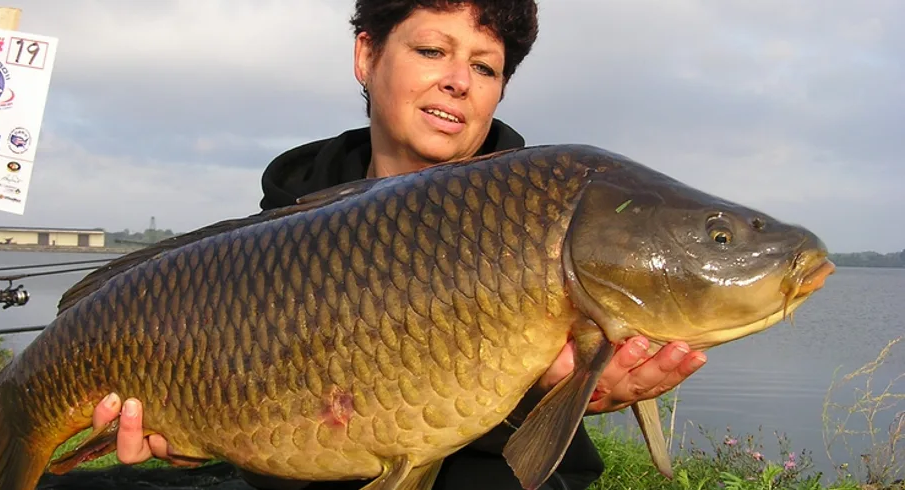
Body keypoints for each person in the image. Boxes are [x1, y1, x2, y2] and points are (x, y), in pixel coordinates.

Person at [90, 1, 708, 488]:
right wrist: (200, 431)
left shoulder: (542, 222)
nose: (458, 81)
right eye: (432, 49)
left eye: (486, 66)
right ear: (368, 55)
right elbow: (279, 454)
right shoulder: (264, 251)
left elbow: (526, 457)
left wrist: (567, 395)